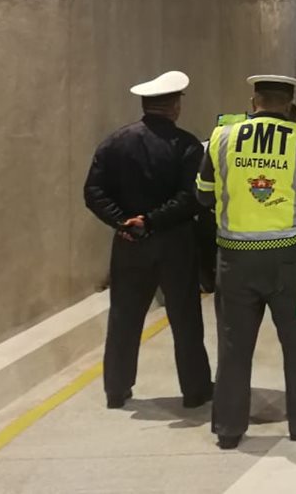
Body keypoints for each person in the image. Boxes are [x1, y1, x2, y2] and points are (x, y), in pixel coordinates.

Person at [195, 75, 296, 449]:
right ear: (290, 105)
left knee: (233, 347)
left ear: (253, 100)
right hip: (290, 260)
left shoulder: (221, 138)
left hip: (235, 258)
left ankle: (229, 428)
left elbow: (203, 196)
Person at [83, 70, 212, 411]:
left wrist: (123, 220)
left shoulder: (114, 143)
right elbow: (191, 198)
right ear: (174, 106)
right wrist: (152, 220)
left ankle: (116, 389)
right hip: (175, 244)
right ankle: (195, 389)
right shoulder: (186, 145)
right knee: (185, 318)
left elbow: (93, 191)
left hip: (129, 243)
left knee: (124, 316)